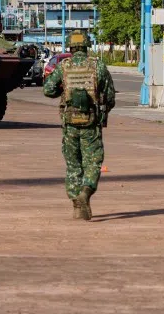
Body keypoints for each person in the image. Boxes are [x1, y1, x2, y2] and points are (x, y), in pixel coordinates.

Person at [43, 30, 116, 221]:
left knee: (73, 165)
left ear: (71, 47)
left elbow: (48, 90)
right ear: (86, 46)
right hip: (91, 123)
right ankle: (85, 192)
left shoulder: (63, 66)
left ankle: (77, 206)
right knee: (93, 161)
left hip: (70, 123)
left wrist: (63, 89)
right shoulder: (98, 66)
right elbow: (109, 97)